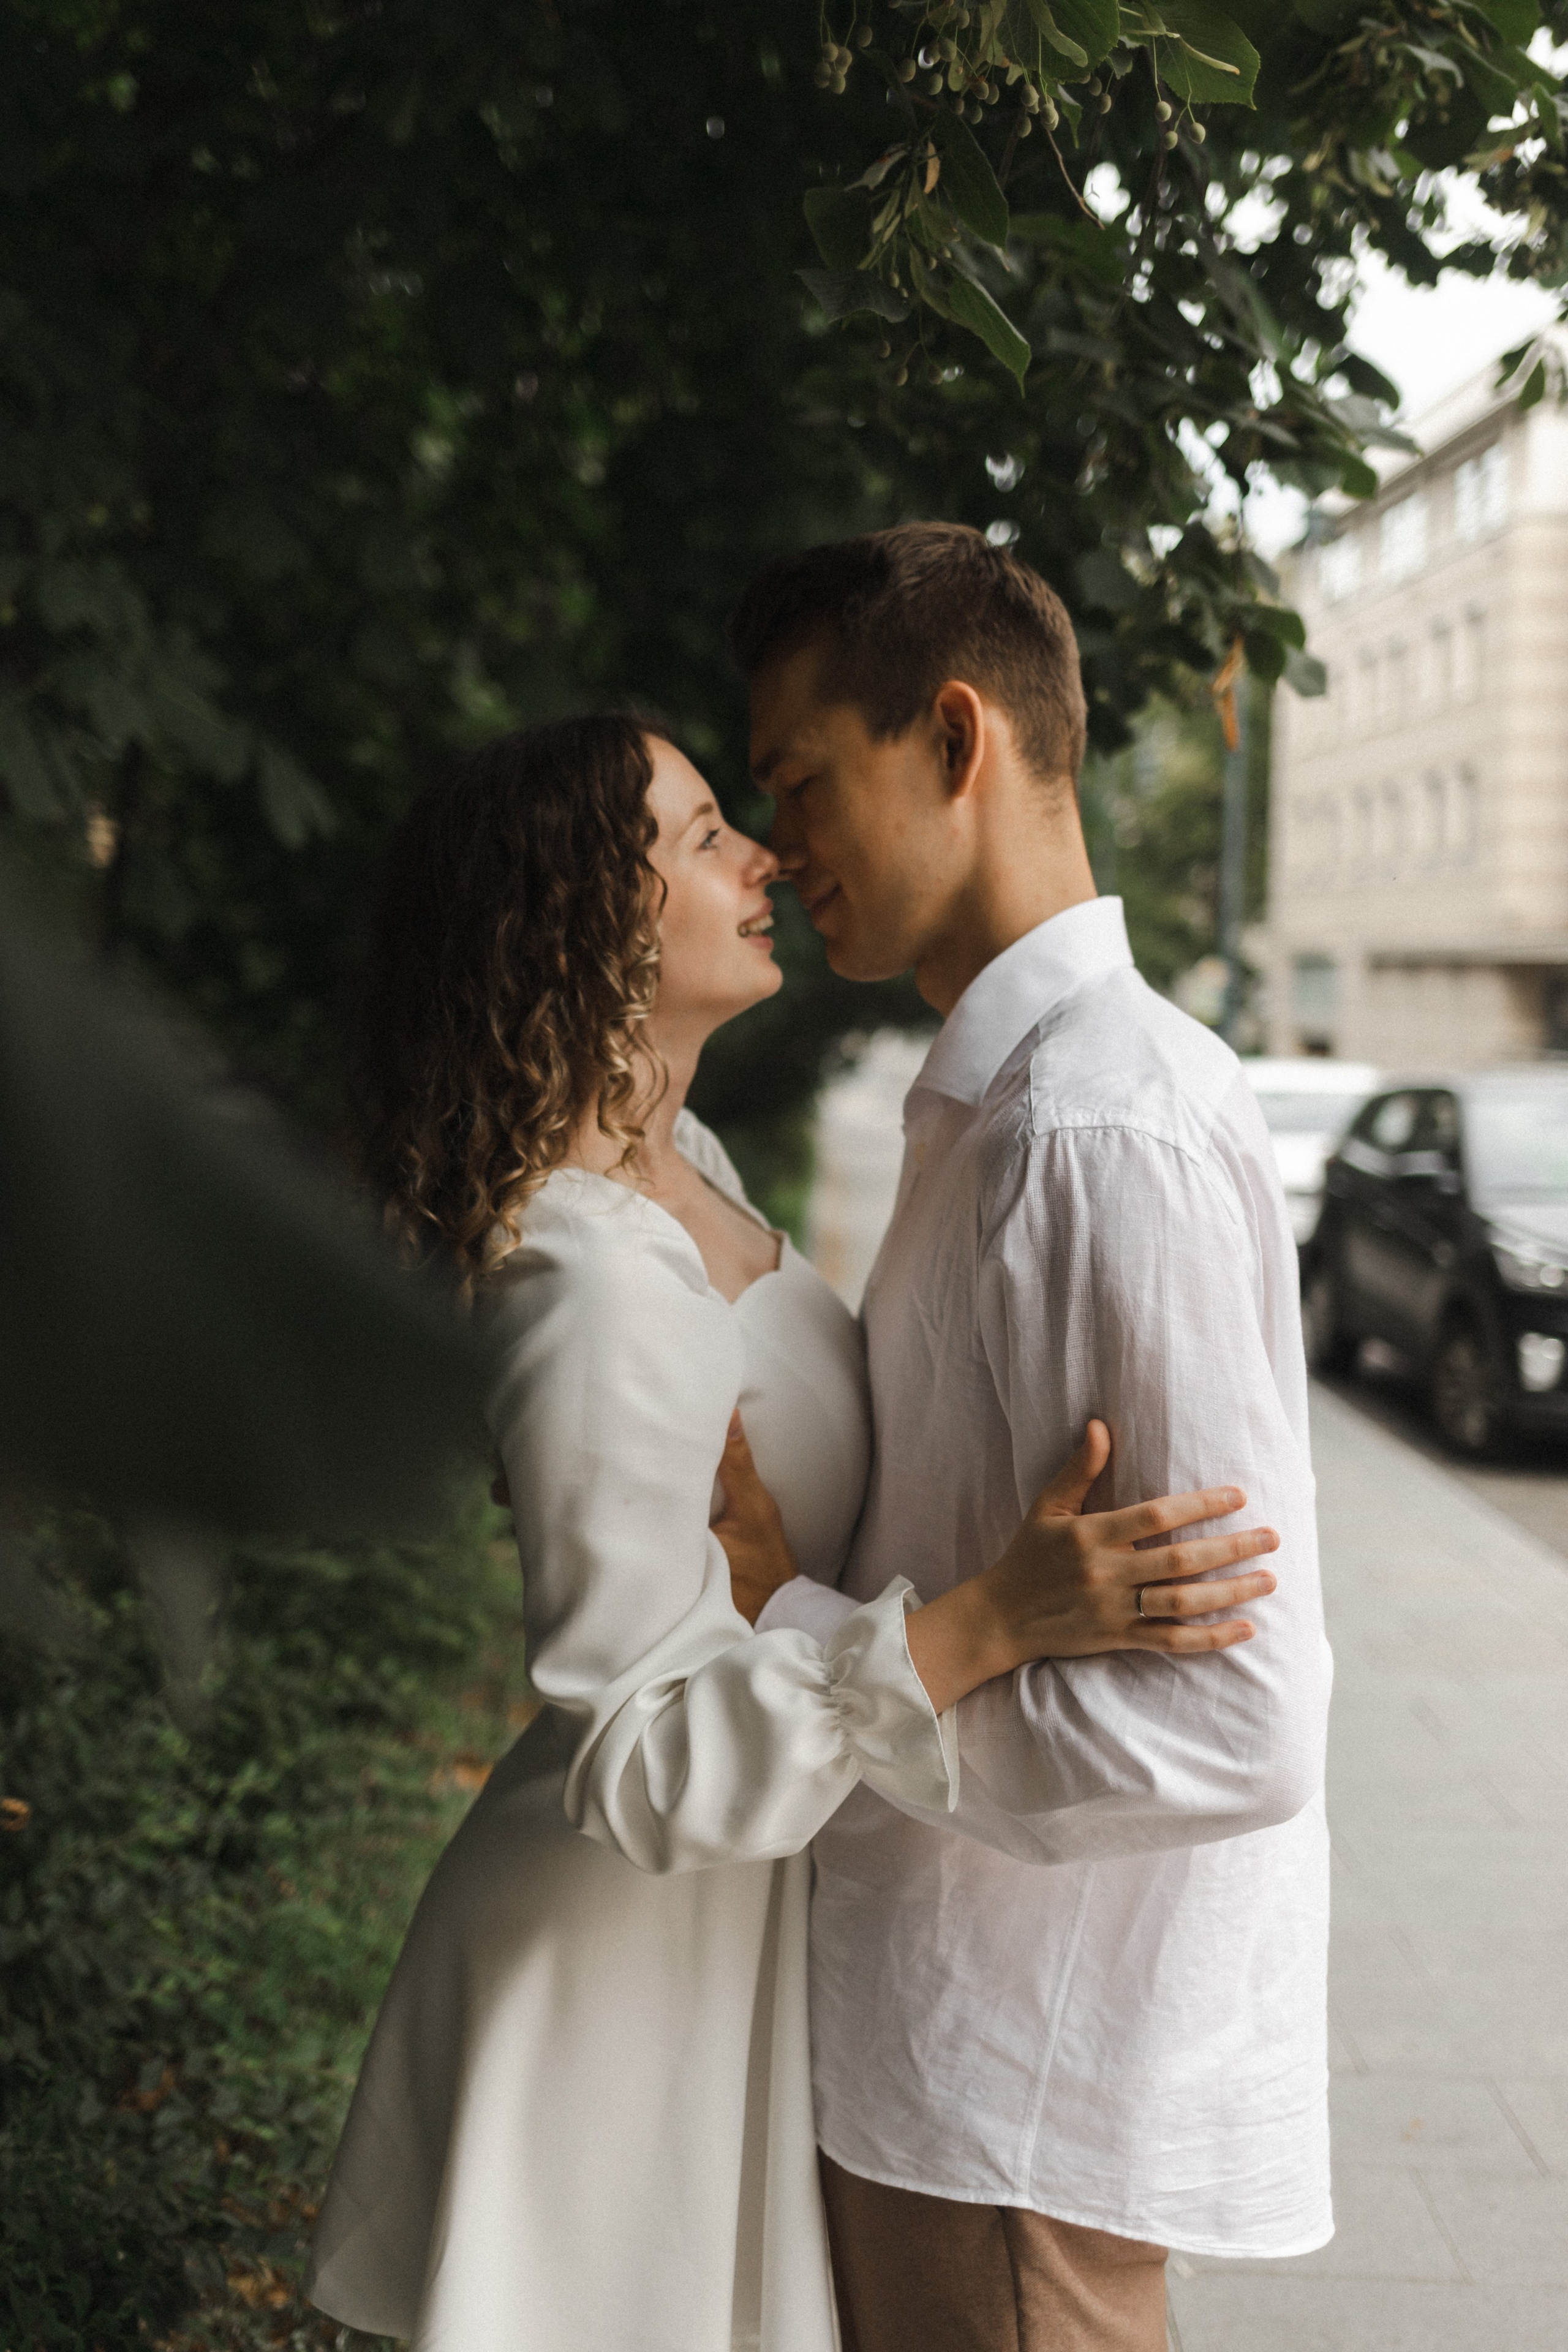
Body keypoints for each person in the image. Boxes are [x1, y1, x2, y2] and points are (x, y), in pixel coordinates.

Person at [303, 714, 1281, 2352]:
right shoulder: (591, 1280)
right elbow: (631, 1757)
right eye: (698, 838)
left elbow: (740, 1571)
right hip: (624, 1966)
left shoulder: (684, 1166)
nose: (760, 852)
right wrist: (992, 1619)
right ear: (583, 922)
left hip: (742, 1925)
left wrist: (792, 1591)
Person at [730, 522, 1335, 2352]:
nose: (775, 847)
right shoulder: (1001, 1110)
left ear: (957, 740)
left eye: (801, 779)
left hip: (1011, 2095)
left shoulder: (1093, 1135)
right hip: (949, 2065)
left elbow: (1242, 1722)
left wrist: (834, 1677)